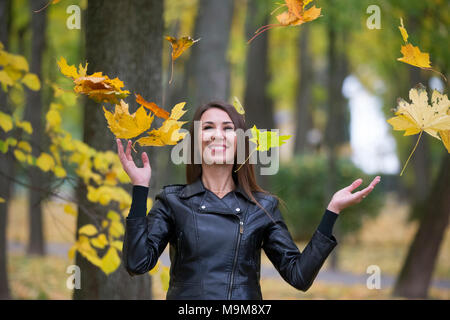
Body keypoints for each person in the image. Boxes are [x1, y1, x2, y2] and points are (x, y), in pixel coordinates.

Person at [118, 101, 381, 300]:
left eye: (227, 128)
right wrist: (140, 188)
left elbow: (299, 276)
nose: (217, 135)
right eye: (207, 127)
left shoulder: (262, 208)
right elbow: (137, 263)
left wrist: (332, 211)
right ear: (195, 143)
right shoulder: (172, 202)